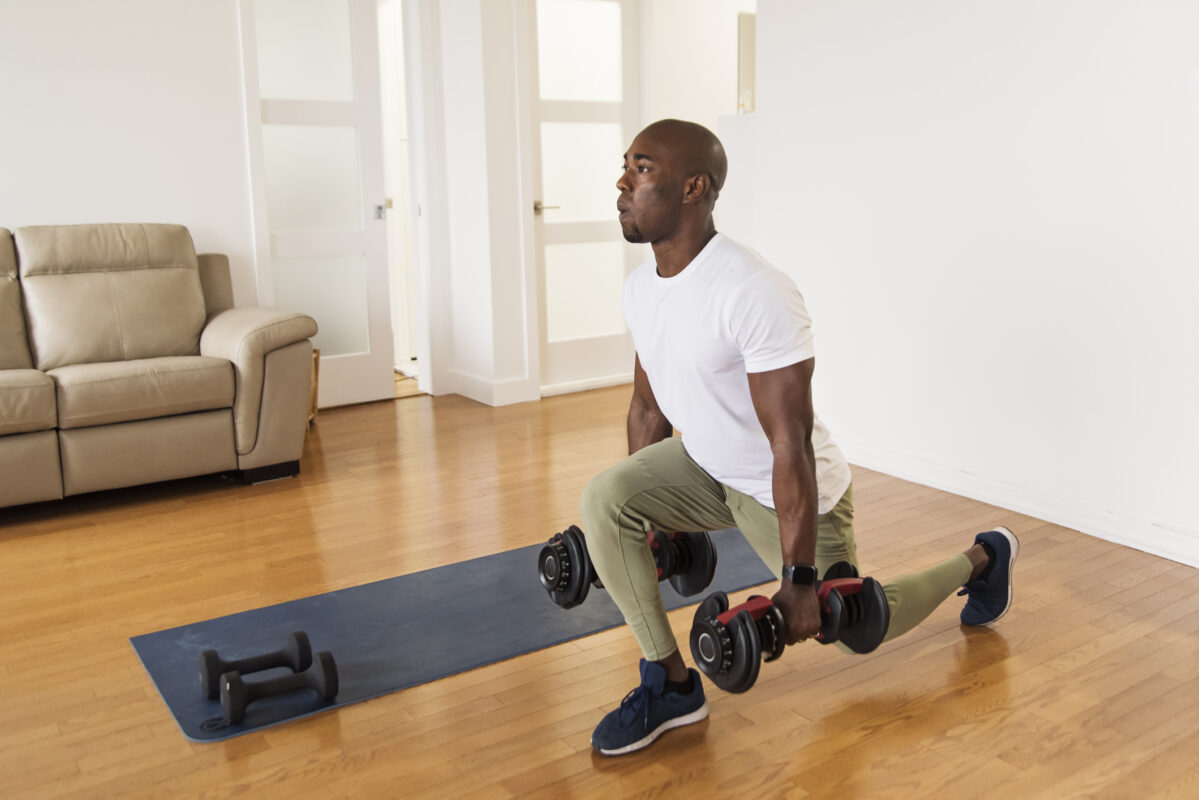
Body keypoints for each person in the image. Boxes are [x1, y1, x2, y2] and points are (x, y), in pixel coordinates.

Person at [581, 119, 1019, 757]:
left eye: (642, 169)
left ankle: (984, 558)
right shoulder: (640, 289)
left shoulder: (752, 290)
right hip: (706, 464)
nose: (622, 183)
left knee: (852, 627)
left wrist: (800, 579)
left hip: (775, 485)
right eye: (626, 166)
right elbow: (648, 407)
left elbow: (790, 442)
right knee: (606, 499)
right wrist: (656, 527)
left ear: (694, 187)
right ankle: (670, 684)